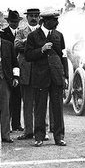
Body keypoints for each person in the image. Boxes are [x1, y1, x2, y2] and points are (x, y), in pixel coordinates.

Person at [25, 10, 68, 147]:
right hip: (40, 77)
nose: (57, 22)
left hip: (56, 76)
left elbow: (64, 57)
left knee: (58, 108)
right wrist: (41, 49)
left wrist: (65, 76)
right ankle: (39, 137)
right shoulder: (33, 36)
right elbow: (28, 55)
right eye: (54, 20)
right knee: (40, 108)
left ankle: (59, 137)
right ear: (45, 21)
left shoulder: (59, 35)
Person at [14, 8, 42, 140]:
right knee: (27, 103)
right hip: (25, 70)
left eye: (36, 16)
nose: (33, 18)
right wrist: (29, 41)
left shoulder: (42, 31)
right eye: (31, 16)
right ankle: (28, 131)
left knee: (40, 103)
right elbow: (17, 46)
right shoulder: (21, 31)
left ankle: (41, 131)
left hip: (39, 70)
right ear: (27, 17)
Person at [1, 9, 24, 133]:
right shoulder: (3, 33)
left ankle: (16, 124)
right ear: (8, 21)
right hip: (7, 68)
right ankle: (7, 125)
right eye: (12, 21)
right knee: (7, 98)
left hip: (19, 67)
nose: (14, 23)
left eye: (16, 21)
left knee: (17, 97)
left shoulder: (21, 33)